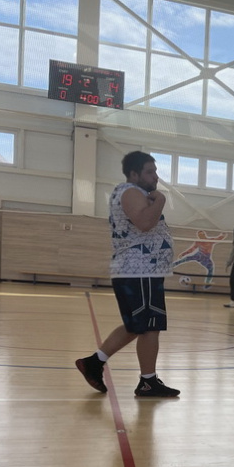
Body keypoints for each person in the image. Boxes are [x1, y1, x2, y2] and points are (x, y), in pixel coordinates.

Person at [75, 151, 179, 398]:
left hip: (141, 270)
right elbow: (144, 223)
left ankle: (96, 363)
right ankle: (147, 382)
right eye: (149, 172)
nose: (155, 177)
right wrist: (161, 200)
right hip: (139, 270)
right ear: (134, 174)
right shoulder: (131, 192)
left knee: (138, 325)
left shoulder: (133, 192)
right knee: (149, 326)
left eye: (155, 171)